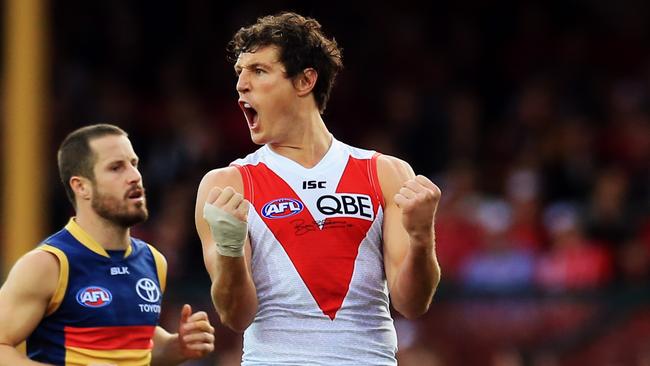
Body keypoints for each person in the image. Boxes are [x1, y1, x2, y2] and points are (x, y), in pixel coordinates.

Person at [195, 12, 441, 365]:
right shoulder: (227, 184)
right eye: (239, 73)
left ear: (305, 80)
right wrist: (231, 251)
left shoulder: (385, 173)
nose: (241, 85)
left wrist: (422, 238)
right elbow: (236, 317)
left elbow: (412, 304)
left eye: (259, 71)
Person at [0, 124, 215, 365]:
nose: (135, 176)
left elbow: (136, 346)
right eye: (116, 168)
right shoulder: (49, 264)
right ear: (81, 187)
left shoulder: (153, 261)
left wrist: (178, 346)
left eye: (134, 164)